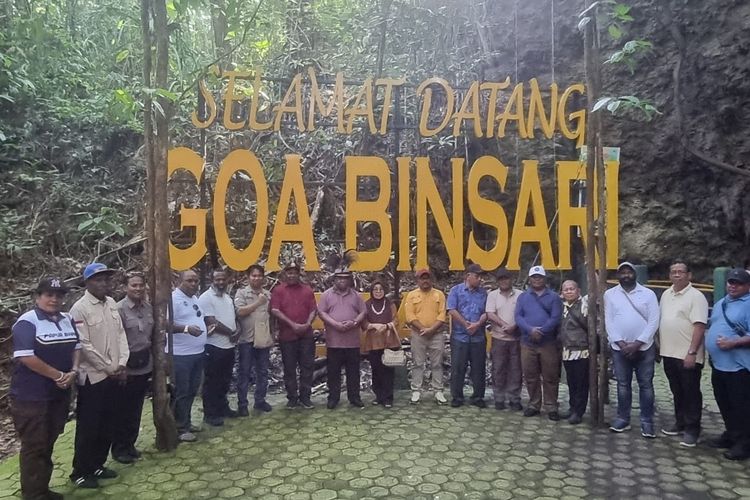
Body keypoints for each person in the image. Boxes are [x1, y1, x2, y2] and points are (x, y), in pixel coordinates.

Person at [11, 277, 80, 500]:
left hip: (58, 394)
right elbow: (25, 357)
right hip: (32, 397)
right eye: (49, 294)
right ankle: (32, 495)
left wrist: (74, 370)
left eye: (59, 295)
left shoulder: (66, 319)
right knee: (34, 447)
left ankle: (42, 489)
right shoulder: (27, 321)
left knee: (48, 441)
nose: (54, 299)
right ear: (38, 296)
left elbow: (77, 346)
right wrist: (58, 375)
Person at [69, 263, 129, 488]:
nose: (104, 283)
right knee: (89, 426)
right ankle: (81, 472)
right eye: (98, 279)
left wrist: (122, 362)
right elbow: (83, 345)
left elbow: (121, 334)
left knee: (108, 423)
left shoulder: (111, 303)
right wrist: (108, 368)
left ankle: (97, 464)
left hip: (115, 373)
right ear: (87, 283)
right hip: (94, 378)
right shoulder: (79, 308)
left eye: (106, 279)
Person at [604, 261, 660, 437]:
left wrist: (638, 343)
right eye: (622, 273)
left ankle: (647, 421)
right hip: (619, 348)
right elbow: (609, 321)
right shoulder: (610, 294)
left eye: (629, 272)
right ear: (617, 276)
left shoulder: (648, 294)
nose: (626, 275)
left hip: (644, 348)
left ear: (635, 274)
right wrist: (621, 343)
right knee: (622, 385)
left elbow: (654, 321)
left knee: (646, 385)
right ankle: (623, 419)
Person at [658, 262, 709, 447]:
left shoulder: (696, 297)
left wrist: (692, 352)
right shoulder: (666, 294)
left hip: (688, 355)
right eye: (673, 272)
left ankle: (693, 429)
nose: (677, 275)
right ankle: (680, 423)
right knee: (677, 391)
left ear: (689, 275)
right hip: (669, 353)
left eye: (681, 272)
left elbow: (700, 326)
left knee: (691, 392)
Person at [704, 268, 750, 461]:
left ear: (747, 286)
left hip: (739, 367)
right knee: (725, 403)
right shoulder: (722, 302)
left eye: (738, 283)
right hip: (719, 365)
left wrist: (733, 343)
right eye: (731, 282)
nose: (733, 286)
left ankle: (744, 444)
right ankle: (731, 434)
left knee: (742, 407)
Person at [112, 272, 154, 463]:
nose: (138, 288)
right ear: (125, 288)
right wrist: (120, 368)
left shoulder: (148, 308)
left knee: (136, 409)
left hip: (144, 364)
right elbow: (115, 340)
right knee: (122, 411)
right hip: (126, 367)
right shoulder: (119, 310)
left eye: (140, 285)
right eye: (133, 285)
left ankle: (130, 445)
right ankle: (119, 449)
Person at [515, 265, 563, 419]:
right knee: (530, 375)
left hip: (548, 343)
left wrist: (541, 331)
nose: (537, 279)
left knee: (550, 376)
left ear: (544, 278)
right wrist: (530, 330)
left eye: (539, 277)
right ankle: (534, 404)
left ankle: (551, 406)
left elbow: (556, 318)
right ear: (529, 279)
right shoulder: (523, 296)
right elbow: (518, 317)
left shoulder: (554, 297)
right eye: (534, 277)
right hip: (527, 342)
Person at [270, 262, 318, 409]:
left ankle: (305, 397)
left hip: (306, 336)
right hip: (287, 336)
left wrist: (307, 324)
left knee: (307, 367)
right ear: (285, 274)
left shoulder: (307, 290)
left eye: (294, 273)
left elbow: (313, 310)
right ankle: (292, 398)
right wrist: (293, 325)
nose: (292, 275)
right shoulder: (278, 291)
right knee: (289, 368)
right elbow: (275, 310)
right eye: (289, 273)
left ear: (299, 274)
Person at [318, 268, 367, 409]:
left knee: (353, 372)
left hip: (352, 342)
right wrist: (335, 324)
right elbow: (321, 312)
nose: (342, 281)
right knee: (333, 372)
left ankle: (354, 397)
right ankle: (333, 398)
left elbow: (363, 311)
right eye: (339, 278)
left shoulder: (356, 296)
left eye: (345, 278)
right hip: (334, 341)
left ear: (349, 280)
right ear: (334, 279)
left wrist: (355, 322)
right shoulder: (326, 295)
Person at [170, 269, 207, 442]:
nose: (193, 284)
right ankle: (180, 427)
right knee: (181, 391)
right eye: (189, 281)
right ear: (180, 281)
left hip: (197, 353)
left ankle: (187, 421)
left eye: (196, 281)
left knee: (192, 390)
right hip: (180, 355)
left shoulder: (194, 298)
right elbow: (164, 323)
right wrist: (186, 329)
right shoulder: (173, 299)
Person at [198, 269, 239, 426]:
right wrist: (231, 333)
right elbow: (211, 321)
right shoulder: (206, 298)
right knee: (212, 381)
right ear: (212, 280)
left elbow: (233, 317)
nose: (221, 282)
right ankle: (210, 414)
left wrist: (236, 332)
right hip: (214, 346)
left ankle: (223, 408)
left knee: (224, 380)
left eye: (223, 279)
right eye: (217, 280)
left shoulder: (227, 297)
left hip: (228, 347)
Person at [404, 269, 448, 405]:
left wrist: (431, 329)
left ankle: (438, 391)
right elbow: (410, 315)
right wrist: (423, 329)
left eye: (427, 278)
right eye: (422, 279)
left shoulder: (439, 294)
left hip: (437, 334)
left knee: (437, 363)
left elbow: (442, 314)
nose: (425, 281)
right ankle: (416, 391)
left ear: (431, 280)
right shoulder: (411, 295)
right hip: (418, 334)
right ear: (417, 280)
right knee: (417, 363)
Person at [447, 264, 488, 408]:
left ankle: (478, 397)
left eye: (481, 277)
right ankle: (457, 397)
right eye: (477, 276)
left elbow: (487, 312)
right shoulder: (456, 291)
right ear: (468, 276)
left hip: (478, 337)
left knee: (478, 368)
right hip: (460, 337)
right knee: (458, 368)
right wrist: (466, 324)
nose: (480, 279)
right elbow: (451, 309)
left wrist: (477, 324)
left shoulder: (483, 293)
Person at [235, 264, 274, 414]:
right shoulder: (242, 293)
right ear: (248, 277)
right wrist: (258, 302)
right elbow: (240, 312)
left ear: (263, 278)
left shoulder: (268, 294)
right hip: (247, 340)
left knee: (263, 372)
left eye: (259, 275)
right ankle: (242, 404)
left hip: (263, 339)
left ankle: (260, 401)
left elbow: (270, 316)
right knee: (244, 372)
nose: (256, 278)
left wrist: (272, 334)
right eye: (253, 275)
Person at [485, 268, 523, 411]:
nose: (504, 281)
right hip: (499, 337)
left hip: (516, 338)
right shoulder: (493, 295)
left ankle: (514, 398)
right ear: (497, 281)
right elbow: (490, 313)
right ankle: (499, 398)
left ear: (511, 279)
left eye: (506, 278)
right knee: (498, 368)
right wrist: (504, 325)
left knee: (516, 369)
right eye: (501, 279)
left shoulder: (520, 295)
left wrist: (514, 326)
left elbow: (524, 313)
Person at [362, 280, 401, 408]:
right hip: (373, 342)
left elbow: (396, 320)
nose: (378, 292)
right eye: (375, 289)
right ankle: (379, 396)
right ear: (371, 291)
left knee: (388, 370)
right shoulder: (367, 305)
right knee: (376, 369)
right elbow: (363, 322)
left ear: (384, 291)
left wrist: (386, 326)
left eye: (380, 289)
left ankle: (388, 398)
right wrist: (373, 325)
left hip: (389, 341)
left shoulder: (390, 304)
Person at [559, 280, 589, 425]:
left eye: (572, 289)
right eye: (566, 289)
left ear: (578, 290)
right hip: (567, 351)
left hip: (582, 351)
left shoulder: (584, 304)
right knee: (571, 382)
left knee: (581, 383)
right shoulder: (562, 306)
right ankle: (572, 408)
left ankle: (579, 411)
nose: (569, 291)